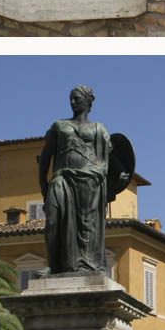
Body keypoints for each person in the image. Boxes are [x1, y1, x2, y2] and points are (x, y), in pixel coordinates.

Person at [38, 85, 115, 274]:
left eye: (77, 98)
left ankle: (85, 265)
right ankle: (54, 266)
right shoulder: (59, 126)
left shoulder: (99, 129)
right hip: (61, 178)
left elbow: (106, 162)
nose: (72, 102)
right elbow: (45, 158)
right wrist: (44, 187)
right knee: (53, 222)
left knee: (86, 223)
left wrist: (102, 175)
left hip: (89, 179)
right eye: (71, 98)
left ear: (88, 101)